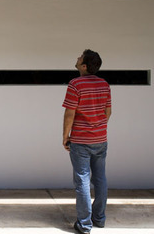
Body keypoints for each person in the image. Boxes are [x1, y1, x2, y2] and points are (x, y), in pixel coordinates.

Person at [62, 49, 112, 234]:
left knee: (82, 180)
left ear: (84, 66)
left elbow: (69, 113)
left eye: (79, 58)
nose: (76, 58)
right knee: (100, 179)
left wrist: (65, 136)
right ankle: (99, 218)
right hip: (100, 140)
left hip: (81, 141)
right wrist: (98, 127)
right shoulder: (104, 84)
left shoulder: (75, 84)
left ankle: (84, 224)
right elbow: (108, 111)